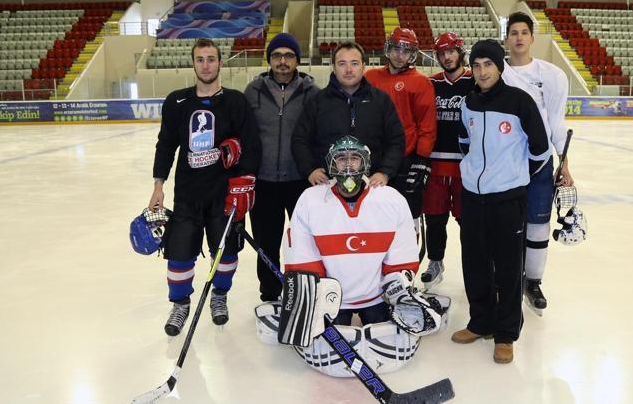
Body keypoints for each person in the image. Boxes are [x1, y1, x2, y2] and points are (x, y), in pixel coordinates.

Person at [272, 135, 444, 377]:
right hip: (333, 299)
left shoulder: (391, 200)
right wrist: (314, 301)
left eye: (355, 159)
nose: (349, 166)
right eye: (342, 159)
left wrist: (397, 289)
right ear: (331, 164)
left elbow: (402, 255)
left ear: (366, 164)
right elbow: (302, 258)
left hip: (376, 295)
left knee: (389, 344)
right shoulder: (310, 201)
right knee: (328, 360)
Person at [148, 38, 260, 336]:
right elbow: (166, 145)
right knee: (179, 252)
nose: (206, 65)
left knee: (226, 253)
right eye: (201, 59)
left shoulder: (236, 101)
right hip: (187, 194)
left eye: (211, 59)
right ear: (193, 63)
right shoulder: (177, 101)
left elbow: (251, 144)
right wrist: (158, 185)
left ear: (221, 63)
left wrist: (245, 182)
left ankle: (219, 297)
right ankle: (180, 303)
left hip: (224, 195)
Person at [451, 39, 550, 364]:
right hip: (473, 198)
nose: (481, 72)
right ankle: (481, 322)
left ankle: (505, 334)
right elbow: (464, 141)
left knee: (509, 269)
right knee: (475, 263)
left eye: (488, 65)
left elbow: (540, 151)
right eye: (476, 66)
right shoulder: (468, 103)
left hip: (508, 200)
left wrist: (512, 177)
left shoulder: (520, 101)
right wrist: (475, 171)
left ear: (499, 66)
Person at [502, 11, 574, 315]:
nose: (518, 37)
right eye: (513, 32)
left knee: (538, 225)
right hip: (506, 164)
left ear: (532, 38)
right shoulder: (496, 72)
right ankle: (508, 278)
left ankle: (533, 281)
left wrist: (564, 162)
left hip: (541, 163)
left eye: (524, 32)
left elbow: (556, 121)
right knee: (507, 225)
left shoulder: (553, 75)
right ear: (506, 39)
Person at [244, 33, 320, 302]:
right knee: (267, 242)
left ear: (297, 60)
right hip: (263, 181)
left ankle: (304, 292)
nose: (283, 61)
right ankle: (270, 294)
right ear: (270, 60)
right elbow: (244, 133)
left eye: (288, 56)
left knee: (304, 242)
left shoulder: (313, 93)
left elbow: (319, 135)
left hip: (301, 180)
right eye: (277, 56)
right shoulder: (253, 90)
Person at [291, 41, 405, 187]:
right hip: (328, 186)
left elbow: (396, 140)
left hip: (371, 185)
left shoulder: (381, 101)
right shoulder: (317, 102)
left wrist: (385, 172)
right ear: (334, 68)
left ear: (364, 66)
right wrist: (310, 170)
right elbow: (300, 139)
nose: (349, 69)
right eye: (342, 64)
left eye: (355, 63)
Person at [365, 27, 437, 223]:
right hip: (374, 158)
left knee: (406, 217)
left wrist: (421, 160)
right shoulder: (370, 77)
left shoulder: (421, 82)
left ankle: (408, 253)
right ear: (388, 49)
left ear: (412, 55)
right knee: (372, 217)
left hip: (406, 159)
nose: (399, 55)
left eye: (406, 51)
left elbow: (427, 124)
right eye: (396, 49)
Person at [421, 32, 475, 290]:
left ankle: (473, 265)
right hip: (435, 165)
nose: (447, 56)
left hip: (467, 167)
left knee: (468, 220)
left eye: (451, 51)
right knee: (434, 218)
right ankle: (435, 261)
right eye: (442, 53)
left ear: (460, 52)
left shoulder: (475, 81)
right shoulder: (430, 83)